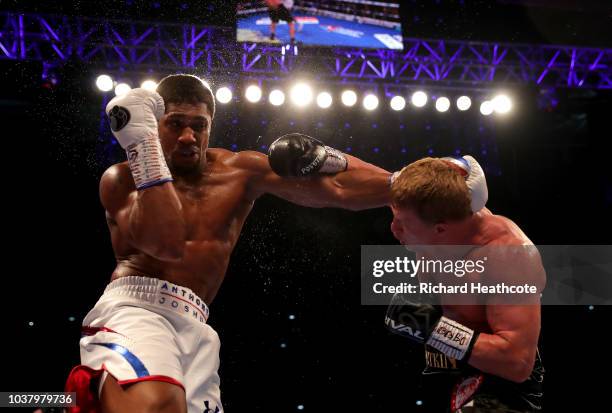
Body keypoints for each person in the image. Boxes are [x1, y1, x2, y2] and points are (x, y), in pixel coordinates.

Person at [64, 73, 397, 413]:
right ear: (153, 124)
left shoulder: (239, 171)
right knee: (157, 405)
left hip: (197, 324)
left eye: (199, 125)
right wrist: (144, 146)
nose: (188, 136)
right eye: (175, 124)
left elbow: (341, 191)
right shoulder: (121, 178)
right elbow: (166, 244)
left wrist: (350, 164)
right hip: (137, 309)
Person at [385, 157, 546, 412]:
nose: (393, 228)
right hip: (441, 368)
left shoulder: (508, 255)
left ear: (440, 229)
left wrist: (434, 328)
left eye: (403, 224)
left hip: (499, 382)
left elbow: (517, 362)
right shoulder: (431, 210)